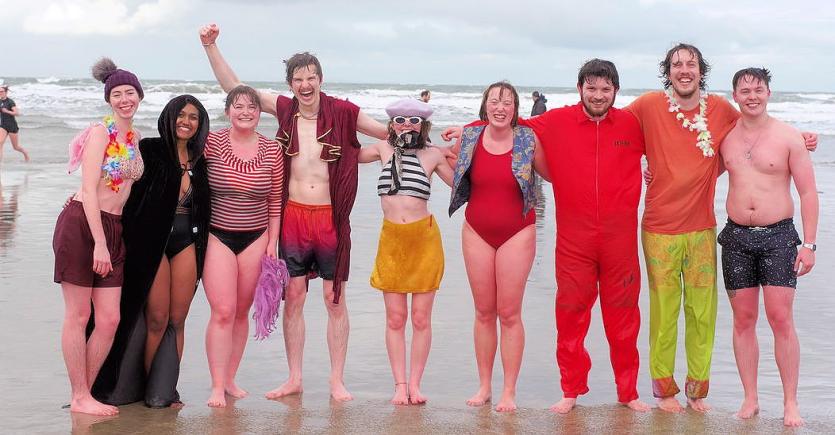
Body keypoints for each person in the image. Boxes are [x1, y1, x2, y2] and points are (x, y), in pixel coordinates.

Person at [198, 23, 387, 402]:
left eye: (311, 77)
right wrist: (211, 47)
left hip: (331, 219)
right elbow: (235, 89)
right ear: (290, 84)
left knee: (334, 299)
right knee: (295, 297)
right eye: (298, 79)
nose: (305, 84)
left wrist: (444, 140)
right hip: (294, 218)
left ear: (321, 80)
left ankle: (336, 381)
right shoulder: (284, 109)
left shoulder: (344, 112)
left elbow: (389, 133)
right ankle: (294, 378)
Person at [629, 43, 817, 413]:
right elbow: (615, 132)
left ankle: (700, 393)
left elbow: (761, 126)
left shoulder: (719, 110)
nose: (685, 70)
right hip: (666, 228)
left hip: (709, 228)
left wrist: (803, 137)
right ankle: (666, 392)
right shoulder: (649, 105)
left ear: (701, 71)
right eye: (677, 64)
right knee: (668, 313)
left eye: (691, 64)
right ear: (668, 71)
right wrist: (639, 164)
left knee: (706, 313)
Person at [520, 59, 650, 414]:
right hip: (574, 240)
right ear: (580, 89)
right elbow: (508, 124)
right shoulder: (557, 120)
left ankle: (628, 392)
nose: (598, 95)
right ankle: (570, 390)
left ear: (616, 91)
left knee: (624, 318)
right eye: (591, 88)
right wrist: (467, 130)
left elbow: (672, 148)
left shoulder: (632, 124)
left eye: (605, 89)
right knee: (570, 314)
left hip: (619, 240)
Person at [90, 95, 212, 408]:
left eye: (193, 117)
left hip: (187, 242)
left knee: (177, 319)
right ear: (169, 117)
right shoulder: (151, 150)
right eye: (180, 115)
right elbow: (118, 182)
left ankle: (166, 388)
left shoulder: (201, 159)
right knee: (157, 317)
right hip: (152, 244)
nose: (186, 121)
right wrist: (83, 200)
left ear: (200, 123)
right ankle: (146, 385)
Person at [717, 68, 817, 427]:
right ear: (734, 96)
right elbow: (696, 172)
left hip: (779, 238)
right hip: (736, 238)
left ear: (769, 93)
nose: (752, 96)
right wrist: (652, 174)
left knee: (780, 318)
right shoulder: (725, 138)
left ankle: (790, 403)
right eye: (744, 91)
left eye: (758, 90)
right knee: (743, 320)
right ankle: (750, 399)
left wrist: (809, 244)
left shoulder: (789, 137)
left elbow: (808, 192)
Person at [53, 58, 145, 416]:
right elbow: (90, 189)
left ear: (140, 96)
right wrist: (101, 244)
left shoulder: (134, 139)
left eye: (130, 92)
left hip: (114, 226)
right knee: (78, 315)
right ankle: (80, 396)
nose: (124, 99)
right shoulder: (99, 133)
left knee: (109, 319)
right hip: (84, 226)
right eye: (117, 94)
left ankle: (84, 394)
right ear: (109, 100)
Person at [448, 81, 542, 412]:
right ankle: (485, 386)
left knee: (509, 313)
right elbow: (454, 173)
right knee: (484, 312)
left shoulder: (528, 139)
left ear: (515, 109)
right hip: (477, 231)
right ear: (485, 105)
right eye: (494, 101)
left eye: (507, 102)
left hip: (518, 232)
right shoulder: (470, 136)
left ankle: (509, 391)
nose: (500, 107)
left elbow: (555, 173)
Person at [359, 99, 453, 405]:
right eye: (400, 120)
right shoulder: (382, 149)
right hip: (392, 242)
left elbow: (463, 184)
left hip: (424, 241)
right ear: (392, 124)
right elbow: (345, 154)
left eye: (413, 120)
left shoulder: (433, 154)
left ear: (423, 124)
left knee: (421, 319)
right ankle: (400, 385)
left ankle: (415, 384)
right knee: (395, 319)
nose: (406, 125)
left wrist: (460, 149)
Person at [202, 85, 283, 408]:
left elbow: (275, 200)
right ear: (227, 111)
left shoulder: (272, 150)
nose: (245, 112)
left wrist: (272, 242)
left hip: (256, 237)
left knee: (240, 312)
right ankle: (216, 386)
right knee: (222, 311)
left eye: (252, 107)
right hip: (217, 236)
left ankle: (230, 379)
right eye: (238, 106)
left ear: (260, 113)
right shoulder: (211, 142)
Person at [0, 85, 30, 164]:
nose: (0, 93)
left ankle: (25, 153)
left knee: (15, 147)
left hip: (12, 126)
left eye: (1, 91)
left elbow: (17, 113)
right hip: (3, 125)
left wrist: (7, 111)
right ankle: (0, 162)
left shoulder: (10, 102)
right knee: (0, 143)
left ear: (6, 92)